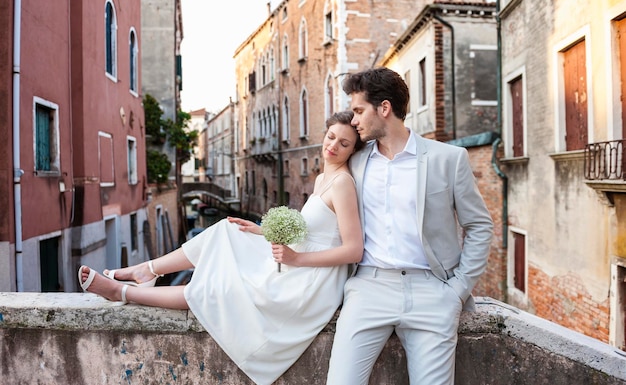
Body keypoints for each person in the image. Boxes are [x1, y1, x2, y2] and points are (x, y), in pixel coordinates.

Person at [78, 111, 365, 385]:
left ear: (352, 150)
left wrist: (297, 258)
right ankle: (147, 270)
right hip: (297, 261)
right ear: (324, 134)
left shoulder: (343, 184)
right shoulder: (321, 179)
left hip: (310, 281)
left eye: (344, 143)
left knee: (215, 290)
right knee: (226, 230)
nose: (333, 146)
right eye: (330, 136)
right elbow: (312, 230)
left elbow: (353, 250)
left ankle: (124, 291)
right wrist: (262, 230)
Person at [326, 67, 493, 385]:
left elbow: (480, 225)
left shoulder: (448, 158)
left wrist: (457, 290)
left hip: (432, 293)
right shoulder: (356, 163)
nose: (355, 120)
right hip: (368, 289)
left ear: (384, 108)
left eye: (359, 110)